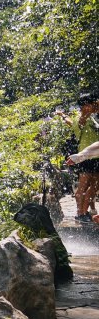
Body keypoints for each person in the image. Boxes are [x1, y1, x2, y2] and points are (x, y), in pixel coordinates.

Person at [61, 91, 99, 223]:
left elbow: (69, 121)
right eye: (93, 103)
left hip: (95, 156)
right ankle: (80, 214)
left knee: (94, 187)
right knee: (83, 187)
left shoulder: (92, 119)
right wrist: (87, 109)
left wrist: (63, 116)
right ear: (85, 106)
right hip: (85, 157)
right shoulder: (82, 118)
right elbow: (80, 120)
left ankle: (84, 212)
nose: (96, 105)